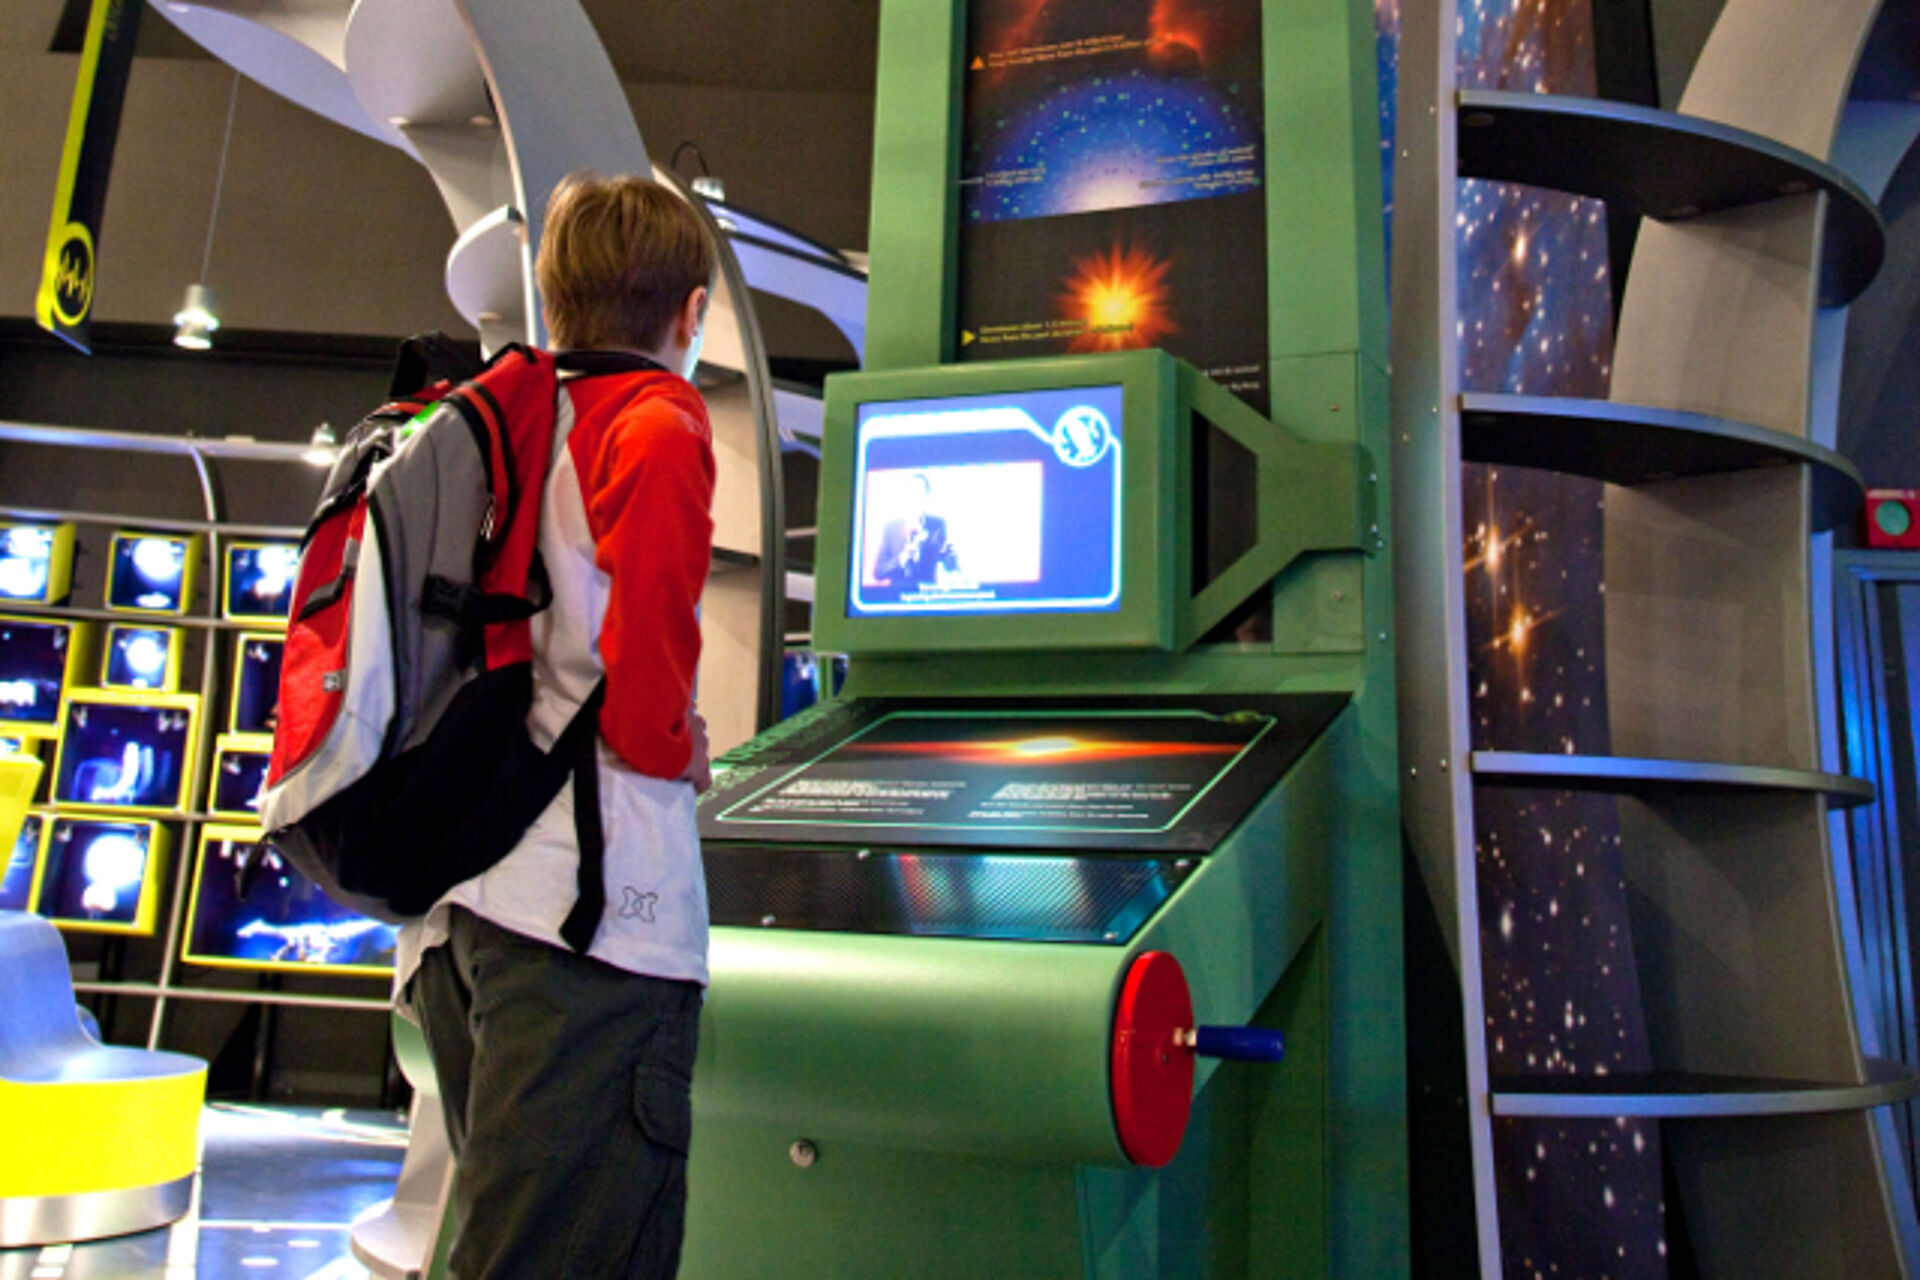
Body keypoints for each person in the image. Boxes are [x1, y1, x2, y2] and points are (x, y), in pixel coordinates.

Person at [397, 172, 718, 1279]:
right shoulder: (658, 421)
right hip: (590, 930)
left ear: (555, 298)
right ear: (691, 312)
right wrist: (685, 745)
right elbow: (643, 688)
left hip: (457, 917)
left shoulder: (502, 420)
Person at [871, 471, 959, 586]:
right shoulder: (891, 528)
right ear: (906, 495)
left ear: (927, 496)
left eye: (921, 493)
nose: (917, 497)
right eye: (913, 492)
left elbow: (950, 567)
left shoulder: (937, 525)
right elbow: (879, 572)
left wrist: (950, 557)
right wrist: (901, 559)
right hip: (897, 594)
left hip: (926, 593)